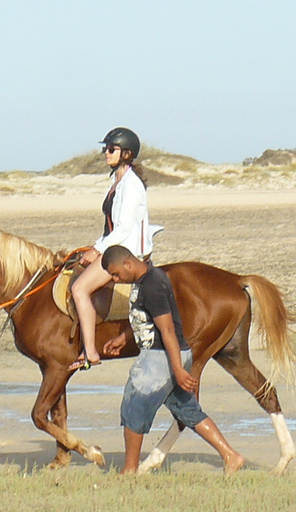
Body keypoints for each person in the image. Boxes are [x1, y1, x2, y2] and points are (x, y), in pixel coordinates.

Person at [100, 245, 245, 475]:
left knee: (133, 407)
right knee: (187, 410)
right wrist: (123, 336)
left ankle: (129, 469)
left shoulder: (152, 285)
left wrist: (177, 369)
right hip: (170, 356)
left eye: (116, 274)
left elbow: (167, 329)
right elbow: (146, 316)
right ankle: (231, 456)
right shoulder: (145, 280)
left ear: (128, 264)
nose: (116, 280)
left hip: (160, 357)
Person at [69, 127, 156, 371]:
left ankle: (90, 351)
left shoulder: (131, 186)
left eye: (111, 149)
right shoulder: (116, 180)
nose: (106, 153)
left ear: (126, 154)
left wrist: (97, 250)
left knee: (79, 289)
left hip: (125, 252)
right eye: (105, 149)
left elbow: (123, 228)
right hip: (115, 245)